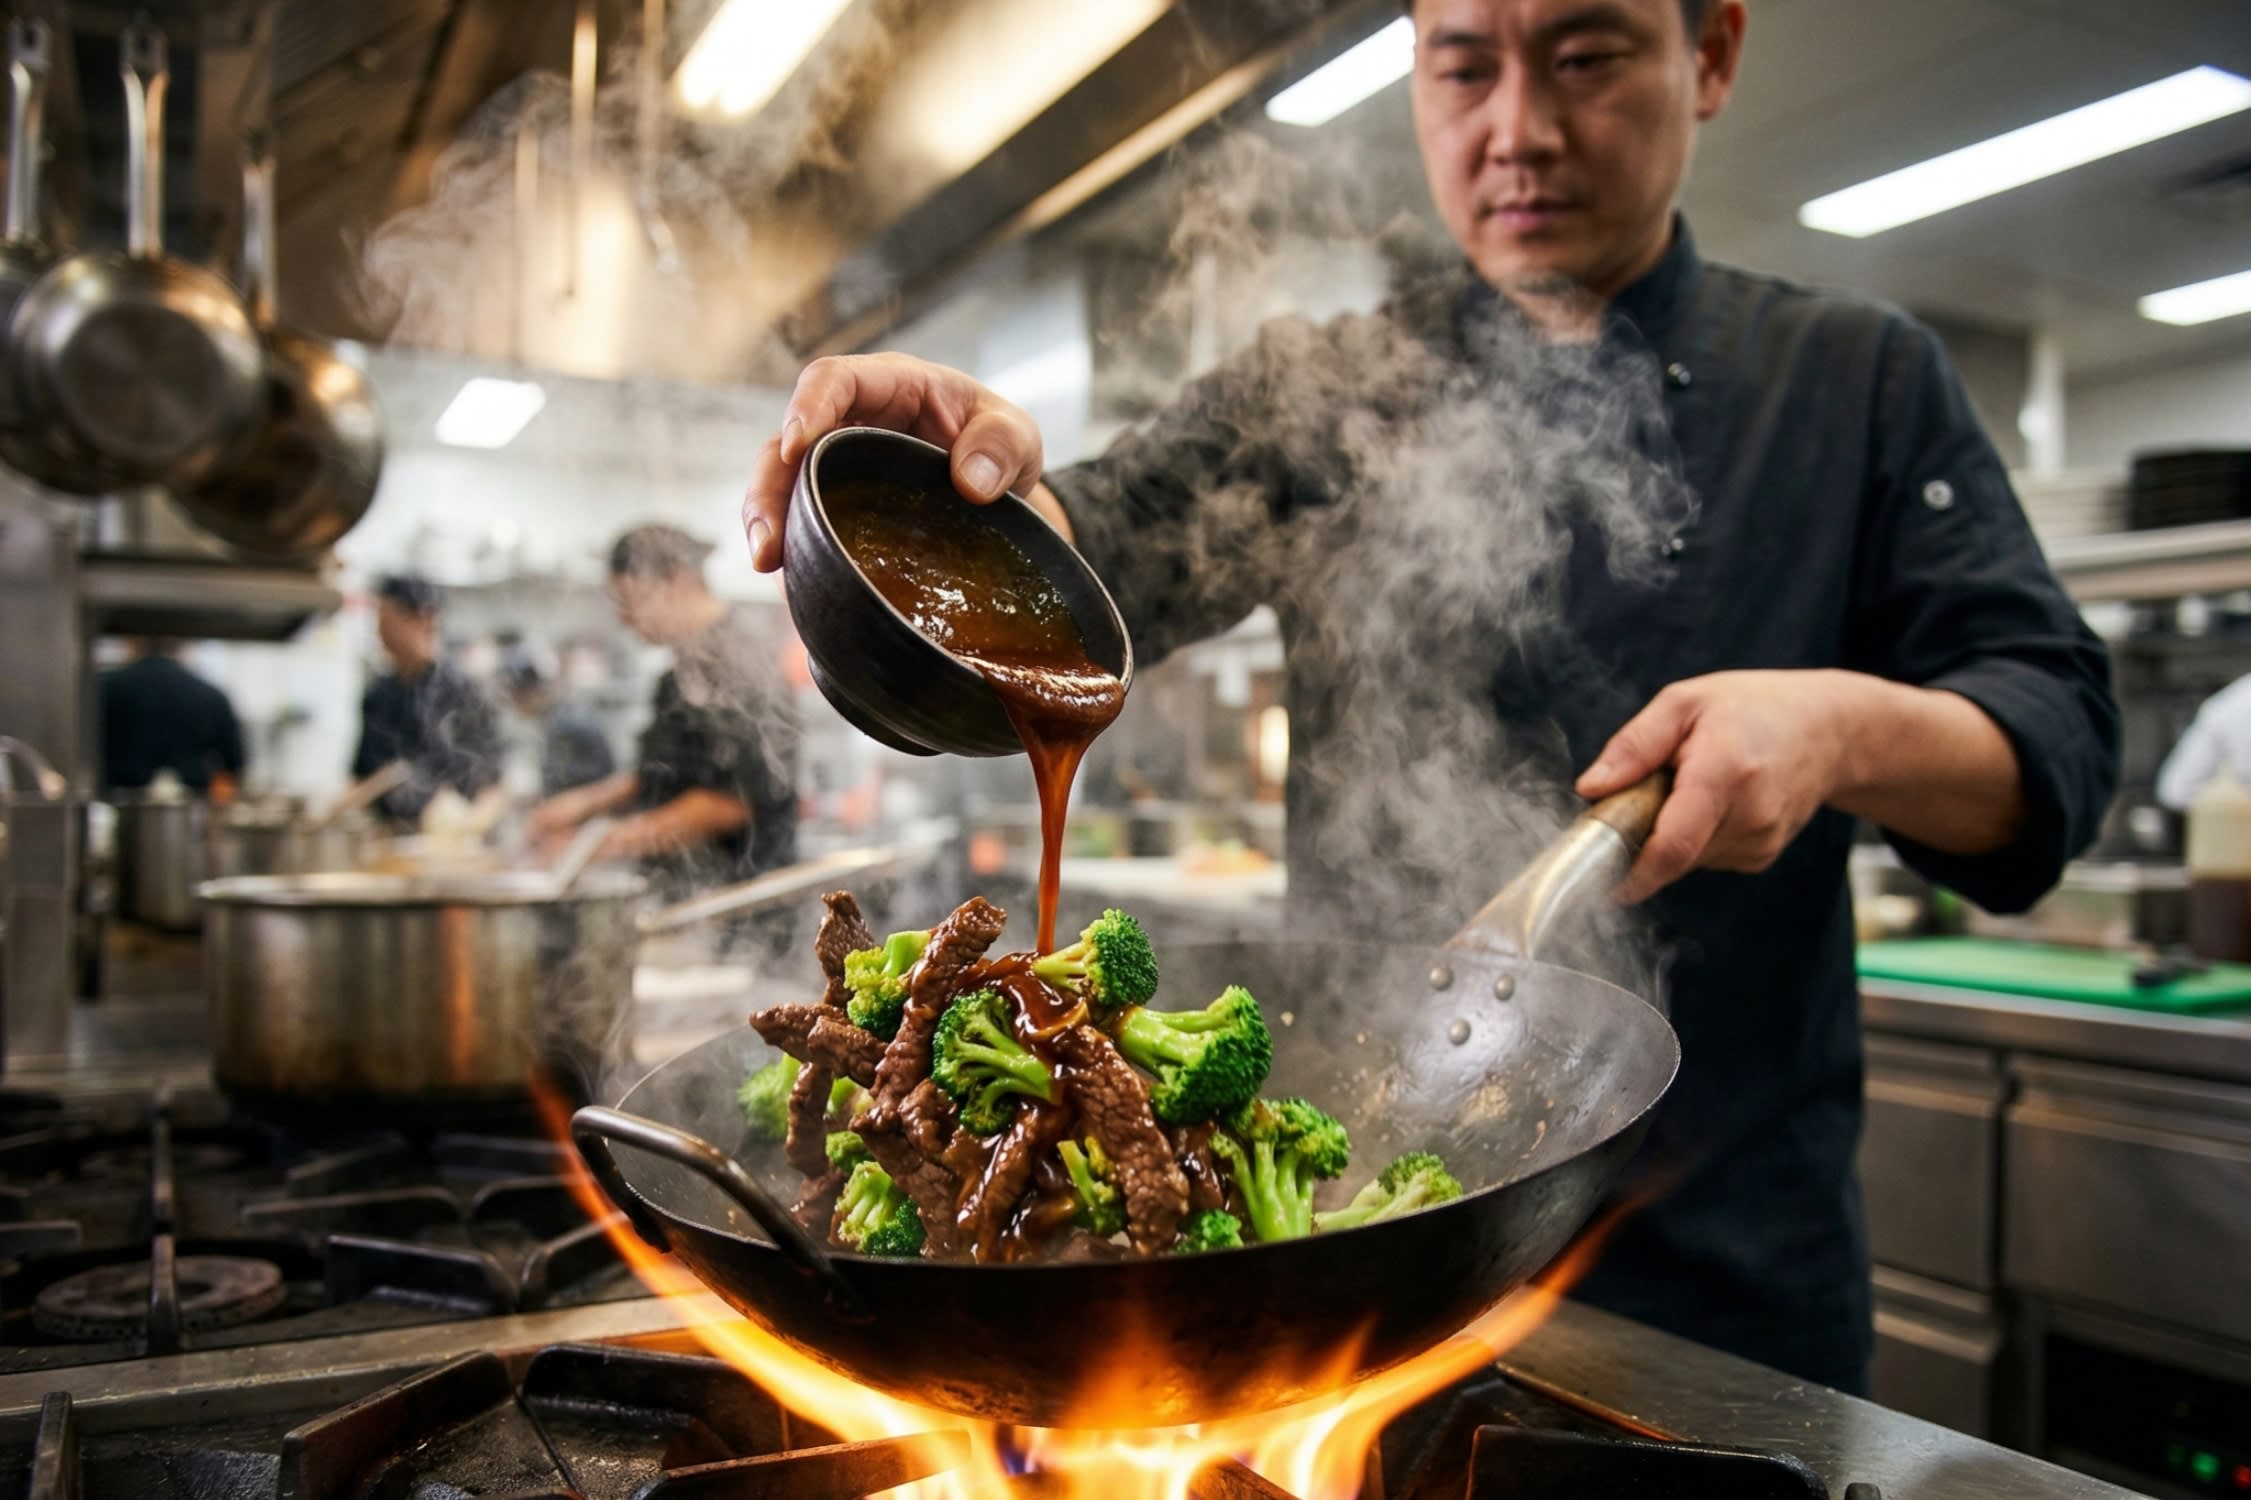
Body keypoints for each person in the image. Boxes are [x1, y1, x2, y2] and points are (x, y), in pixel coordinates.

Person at [739, 0, 2121, 1392]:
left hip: (1717, 1297)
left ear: (1707, 55)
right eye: (1462, 65)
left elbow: (2050, 742)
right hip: (1345, 1276)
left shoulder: (1855, 379)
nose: (1515, 130)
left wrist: (1837, 729)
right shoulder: (1319, 391)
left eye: (1582, 58)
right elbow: (1088, 551)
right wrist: (956, 509)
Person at [526, 524, 801, 908]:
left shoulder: (739, 660)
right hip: (686, 897)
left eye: (631, 599)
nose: (626, 619)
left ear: (678, 579)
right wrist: (584, 803)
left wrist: (592, 845)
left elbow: (728, 800)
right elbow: (663, 773)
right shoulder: (677, 675)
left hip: (738, 906)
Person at [353, 574, 504, 828]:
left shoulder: (464, 693)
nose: (379, 631)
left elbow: (492, 787)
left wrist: (470, 825)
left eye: (386, 620)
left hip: (447, 846)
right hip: (383, 839)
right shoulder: (379, 694)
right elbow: (360, 778)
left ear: (424, 619)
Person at [98, 640, 246, 795]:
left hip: (114, 802)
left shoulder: (105, 688)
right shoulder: (210, 695)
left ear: (130, 642)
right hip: (192, 805)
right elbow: (234, 764)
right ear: (182, 645)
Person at [497, 644, 618, 797]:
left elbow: (592, 783)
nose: (514, 706)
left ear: (533, 692)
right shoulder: (553, 718)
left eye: (516, 698)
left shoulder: (570, 723)